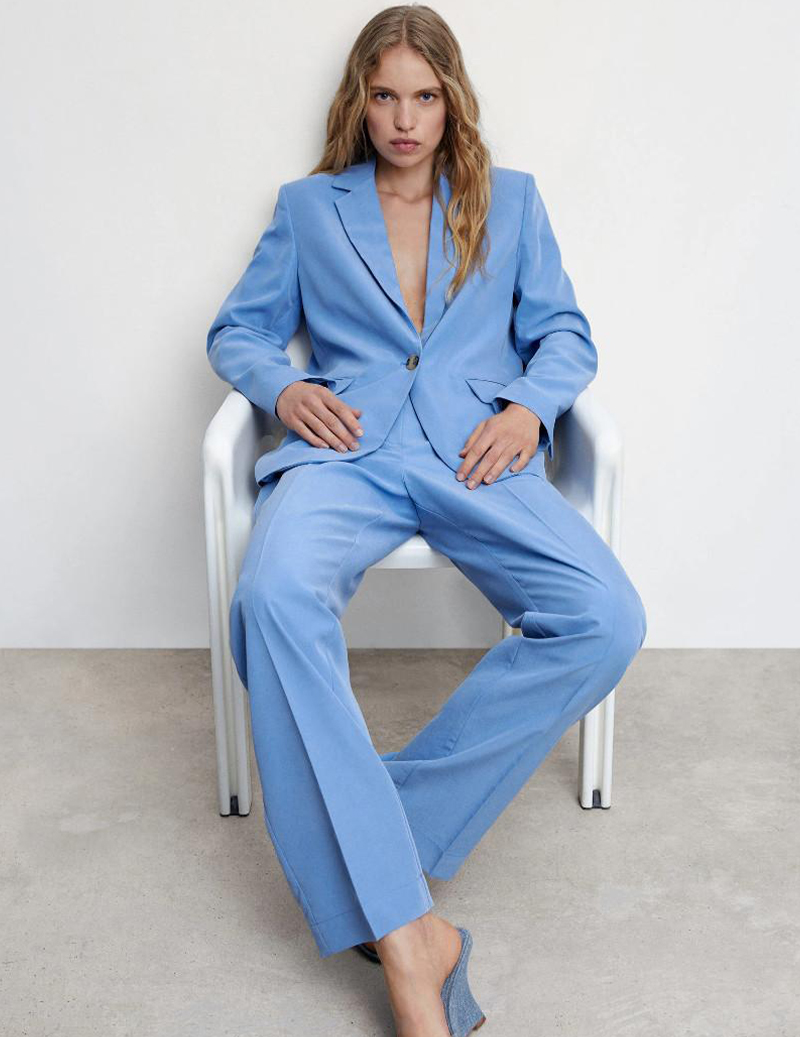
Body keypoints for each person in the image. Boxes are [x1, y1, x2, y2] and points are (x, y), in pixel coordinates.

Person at [205, 6, 647, 1035]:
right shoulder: (309, 208)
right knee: (270, 596)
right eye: (384, 95)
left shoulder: (511, 201)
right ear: (359, 102)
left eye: (424, 96)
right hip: (347, 447)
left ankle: (371, 831)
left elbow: (565, 334)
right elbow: (238, 329)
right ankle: (414, 938)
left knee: (606, 616)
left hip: (474, 451)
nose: (404, 118)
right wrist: (284, 388)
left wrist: (529, 407)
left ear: (452, 102)